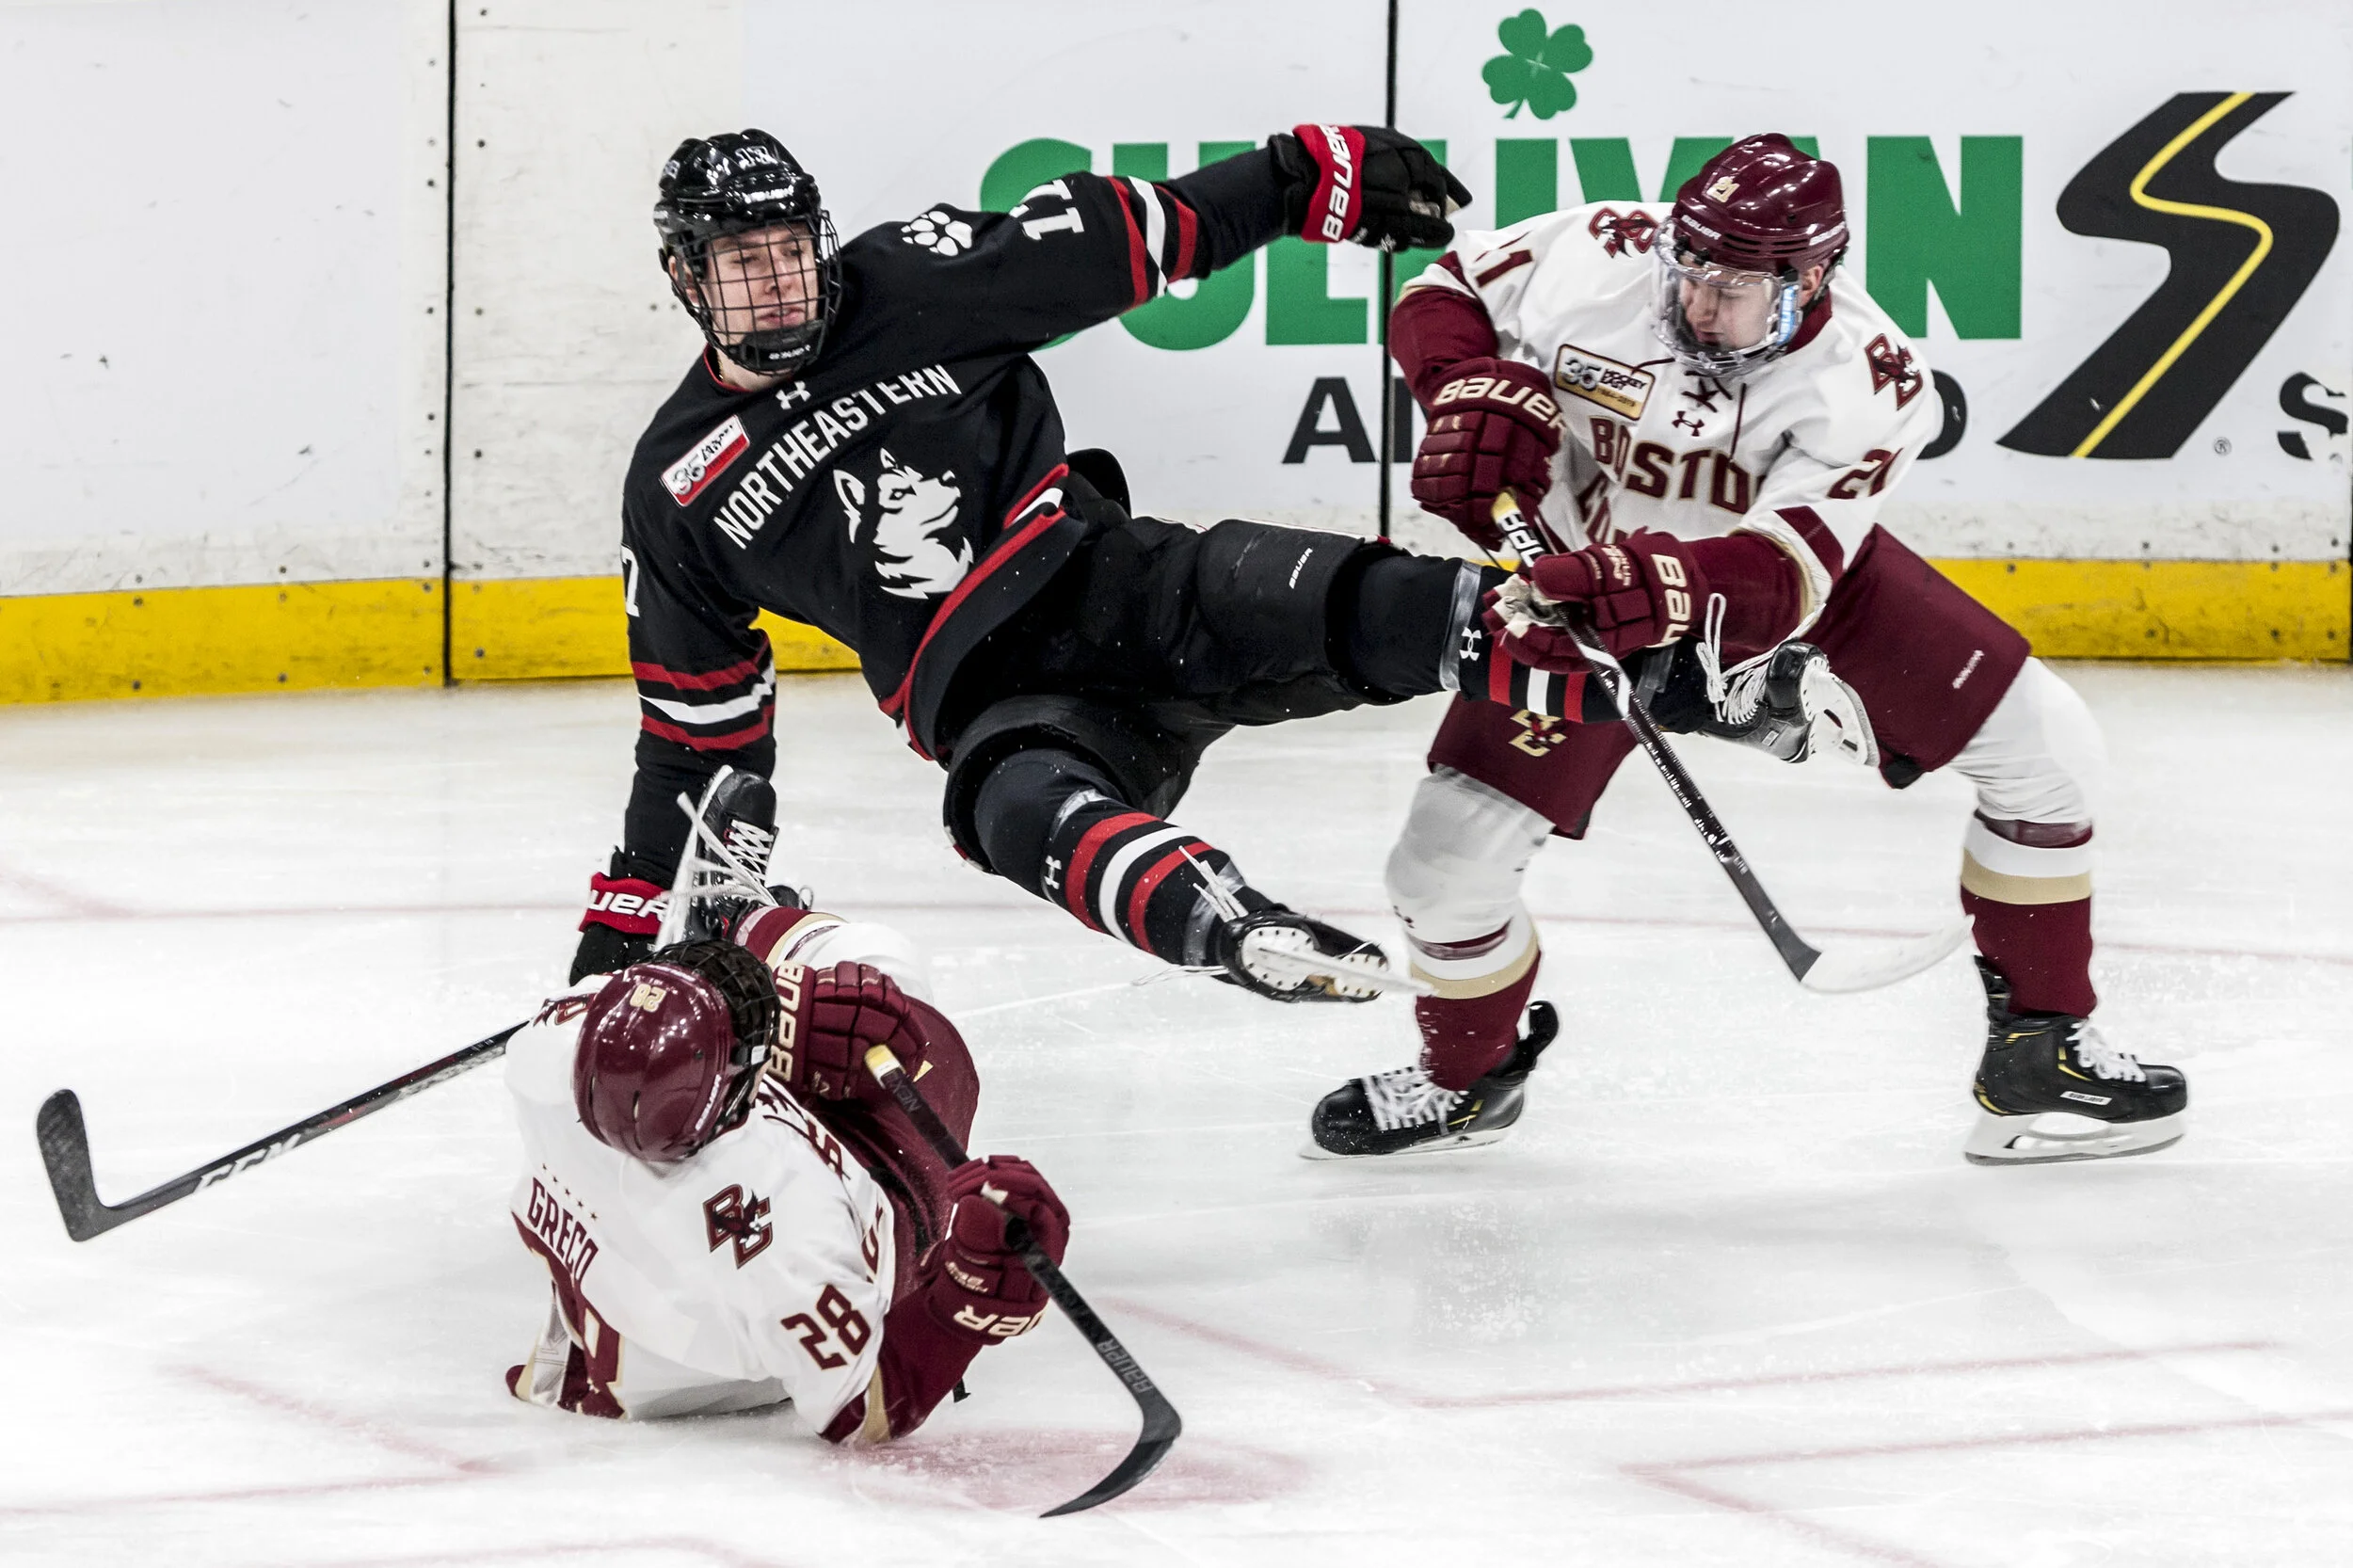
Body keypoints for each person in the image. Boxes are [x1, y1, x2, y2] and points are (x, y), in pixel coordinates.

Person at [572, 126, 1624, 1007]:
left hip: (1119, 586)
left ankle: (1691, 667)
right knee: (1010, 809)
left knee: (1349, 596)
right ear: (684, 276)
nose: (780, 284)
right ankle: (1233, 929)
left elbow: (1126, 234)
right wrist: (631, 914)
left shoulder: (910, 283)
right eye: (742, 262)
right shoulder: (677, 486)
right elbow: (697, 740)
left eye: (792, 248)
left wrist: (1303, 179)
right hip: (994, 701)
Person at [1305, 135, 2188, 1167]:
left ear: (1813, 276)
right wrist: (1461, 385)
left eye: (1734, 289)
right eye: (1689, 272)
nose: (1698, 306)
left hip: (1776, 587)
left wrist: (1658, 590)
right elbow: (1441, 288)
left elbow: (1781, 576)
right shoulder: (1599, 250)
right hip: (1568, 591)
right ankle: (1467, 1078)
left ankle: (2044, 1056)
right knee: (1440, 866)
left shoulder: (1869, 380)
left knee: (2053, 754)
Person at [506, 891, 1068, 1439]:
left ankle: (740, 925)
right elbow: (865, 1407)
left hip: (626, 1330)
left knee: (837, 1001)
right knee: (884, 971)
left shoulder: (546, 1054)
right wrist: (961, 1305)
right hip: (853, 1236)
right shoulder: (786, 1232)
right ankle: (745, 915)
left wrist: (768, 1023)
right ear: (732, 1090)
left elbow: (619, 996)